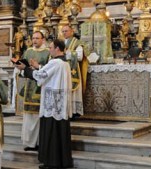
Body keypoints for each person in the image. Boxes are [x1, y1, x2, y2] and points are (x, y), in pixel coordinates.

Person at [16, 39, 73, 169]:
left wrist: (25, 69)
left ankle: (51, 162)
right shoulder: (64, 63)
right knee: (59, 132)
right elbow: (47, 73)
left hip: (51, 104)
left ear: (57, 48)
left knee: (51, 132)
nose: (50, 49)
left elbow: (40, 76)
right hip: (60, 103)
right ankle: (61, 161)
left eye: (51, 47)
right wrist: (38, 67)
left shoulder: (55, 62)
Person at [13, 31, 50, 151]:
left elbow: (50, 71)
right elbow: (24, 68)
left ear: (43, 39)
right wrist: (18, 66)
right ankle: (30, 143)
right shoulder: (28, 51)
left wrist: (38, 66)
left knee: (38, 117)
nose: (34, 40)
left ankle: (39, 142)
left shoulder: (48, 52)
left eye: (37, 38)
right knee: (29, 117)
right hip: (29, 87)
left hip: (40, 88)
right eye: (33, 38)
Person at [62, 25, 89, 119]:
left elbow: (80, 56)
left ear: (72, 31)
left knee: (74, 92)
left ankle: (74, 112)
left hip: (73, 71)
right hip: (63, 71)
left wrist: (67, 53)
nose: (64, 33)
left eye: (66, 31)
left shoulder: (77, 43)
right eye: (63, 31)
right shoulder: (61, 43)